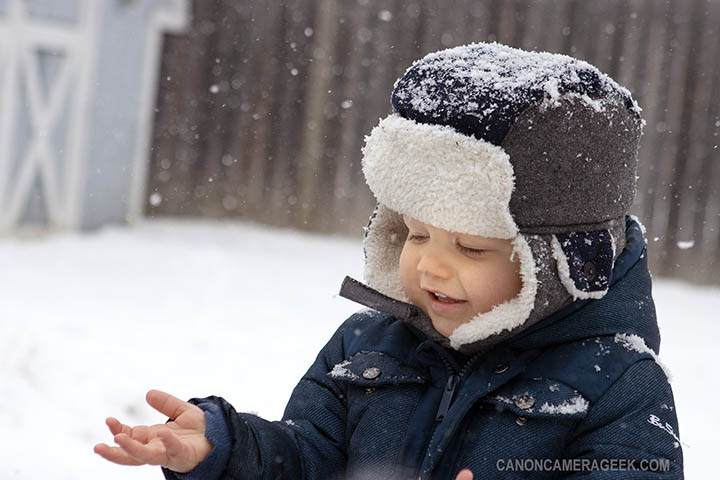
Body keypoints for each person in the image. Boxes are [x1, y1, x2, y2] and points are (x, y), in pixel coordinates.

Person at [95, 42, 684, 479]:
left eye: (471, 247)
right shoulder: (365, 350)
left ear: (560, 266)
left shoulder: (619, 387)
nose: (429, 266)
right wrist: (225, 447)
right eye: (416, 234)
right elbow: (306, 457)